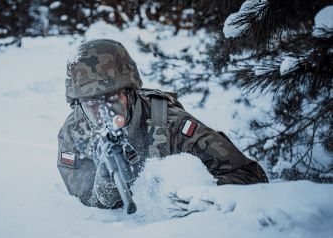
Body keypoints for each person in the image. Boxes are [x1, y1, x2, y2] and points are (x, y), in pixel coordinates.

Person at [57, 39, 268, 209]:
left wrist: (183, 195)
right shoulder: (74, 133)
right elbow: (85, 203)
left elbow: (251, 177)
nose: (104, 113)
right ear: (77, 104)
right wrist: (106, 182)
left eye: (112, 100)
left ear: (131, 93)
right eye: (91, 103)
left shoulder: (170, 123)